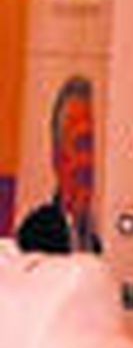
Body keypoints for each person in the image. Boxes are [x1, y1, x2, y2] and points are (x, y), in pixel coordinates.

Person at [18, 75, 102, 255]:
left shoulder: (99, 240)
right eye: (82, 144)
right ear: (58, 159)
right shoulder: (37, 233)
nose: (90, 160)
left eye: (95, 147)